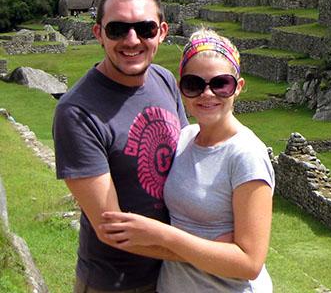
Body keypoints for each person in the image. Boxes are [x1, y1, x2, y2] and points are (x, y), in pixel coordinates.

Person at [100, 28, 274, 292]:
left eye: (220, 84)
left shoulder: (245, 155)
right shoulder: (184, 138)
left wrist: (162, 236)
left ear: (238, 87)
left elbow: (249, 264)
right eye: (194, 84)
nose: (207, 94)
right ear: (182, 89)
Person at [53, 0, 188, 292]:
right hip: (118, 283)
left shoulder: (165, 80)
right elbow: (111, 227)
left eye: (145, 28)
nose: (132, 40)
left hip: (176, 277)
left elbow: (187, 158)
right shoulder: (77, 112)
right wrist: (206, 254)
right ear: (99, 33)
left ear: (162, 32)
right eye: (118, 29)